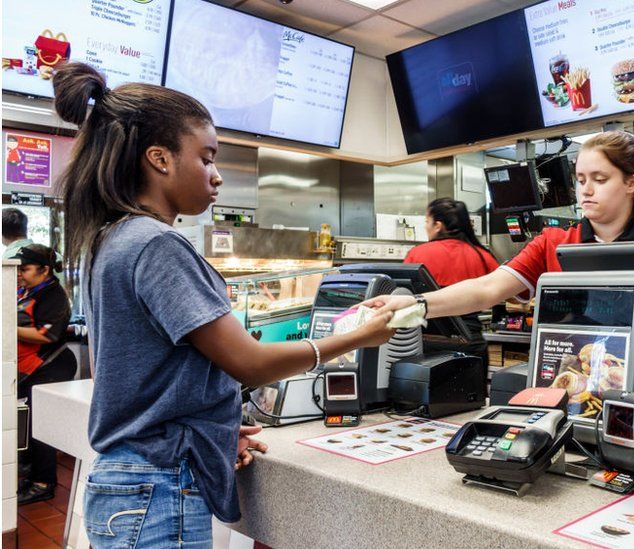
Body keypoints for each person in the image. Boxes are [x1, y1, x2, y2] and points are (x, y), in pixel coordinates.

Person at [52, 62, 394, 547]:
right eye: (207, 158)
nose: (215, 177)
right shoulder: (155, 244)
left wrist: (210, 432)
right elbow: (249, 364)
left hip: (137, 482)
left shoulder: (112, 238)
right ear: (159, 158)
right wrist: (359, 336)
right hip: (157, 489)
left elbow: (153, 375)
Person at [364, 130, 634, 322]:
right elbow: (485, 289)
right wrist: (416, 305)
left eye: (600, 179)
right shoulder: (554, 242)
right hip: (573, 378)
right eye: (580, 179)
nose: (586, 190)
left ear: (631, 183)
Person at [403, 197, 500, 363]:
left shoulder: (417, 254)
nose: (426, 226)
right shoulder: (482, 255)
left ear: (438, 225)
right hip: (471, 341)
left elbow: (404, 294)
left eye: (427, 221)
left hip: (427, 342)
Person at [13, 244, 74, 504]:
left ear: (44, 270)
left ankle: (44, 483)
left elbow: (44, 334)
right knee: (24, 422)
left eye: (24, 269)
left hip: (51, 367)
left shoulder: (54, 296)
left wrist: (6, 325)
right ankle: (30, 470)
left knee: (40, 426)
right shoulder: (23, 290)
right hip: (29, 368)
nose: (19, 274)